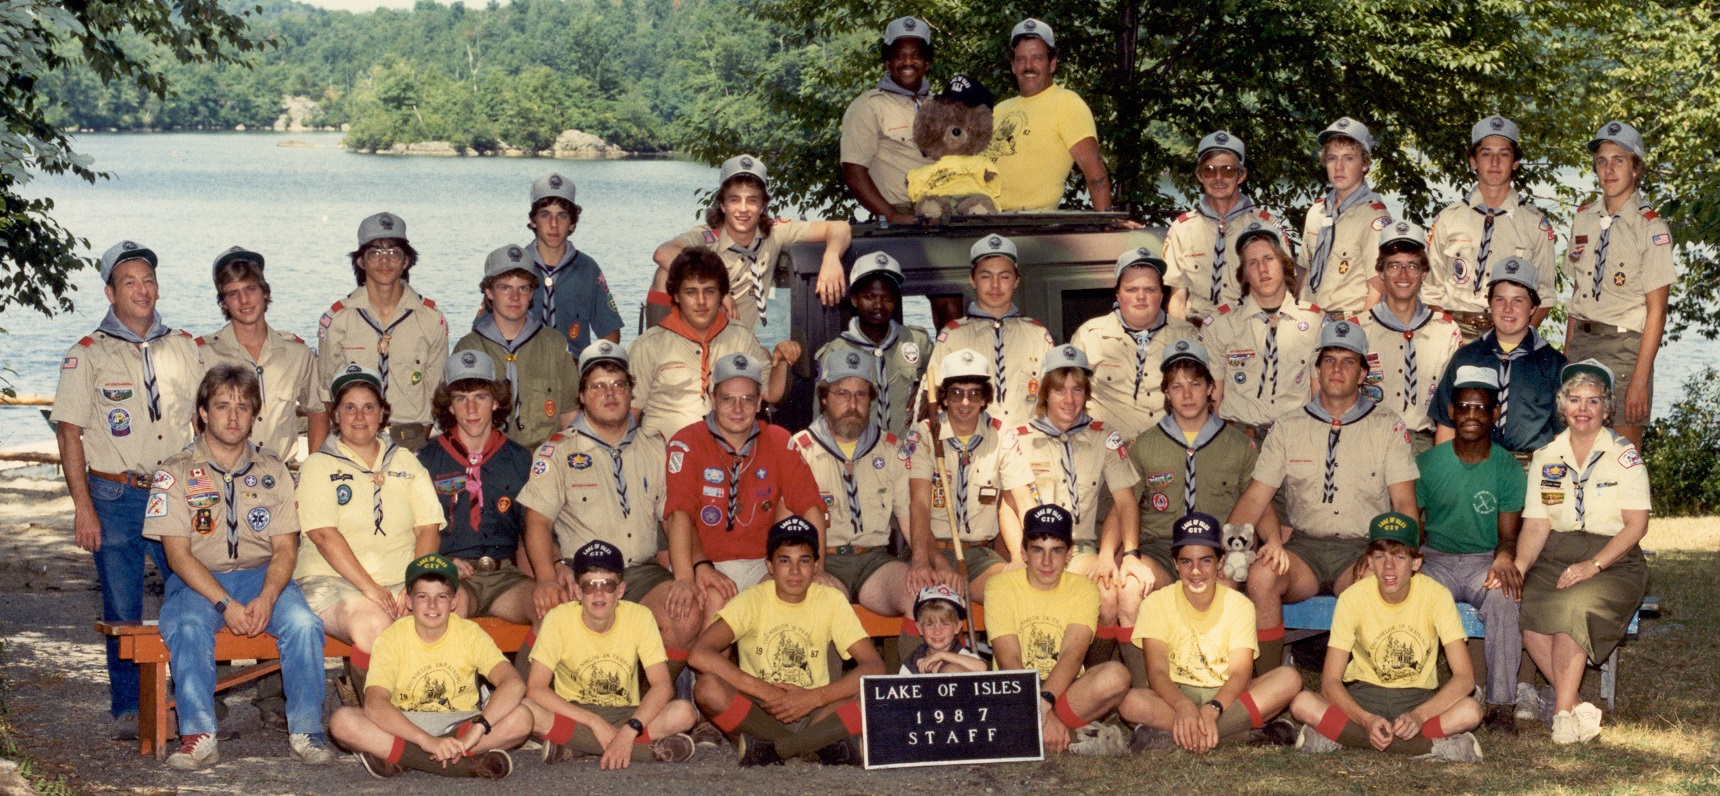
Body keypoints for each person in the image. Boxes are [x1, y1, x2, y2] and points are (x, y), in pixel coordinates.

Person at [145, 366, 332, 769]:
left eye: (243, 407)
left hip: (263, 576)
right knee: (188, 627)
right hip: (198, 583)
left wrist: (268, 596)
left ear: (254, 414)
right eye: (222, 406)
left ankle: (307, 730)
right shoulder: (173, 472)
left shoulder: (273, 469)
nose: (232, 416)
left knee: (304, 625)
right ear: (202, 413)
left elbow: (285, 547)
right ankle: (198, 735)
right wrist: (225, 603)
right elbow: (177, 556)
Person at [53, 240, 202, 738]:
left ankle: (192, 703)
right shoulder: (87, 355)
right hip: (114, 496)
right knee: (123, 609)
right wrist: (84, 508)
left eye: (148, 280)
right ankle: (128, 709)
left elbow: (205, 422)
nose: (142, 290)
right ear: (110, 291)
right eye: (130, 282)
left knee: (189, 597)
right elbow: (68, 432)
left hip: (173, 493)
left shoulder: (184, 346)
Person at [1232, 320, 1420, 675]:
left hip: (1361, 548)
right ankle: (1270, 682)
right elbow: (1255, 499)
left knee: (1376, 579)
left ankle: (1371, 683)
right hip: (1306, 550)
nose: (1337, 369)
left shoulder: (1386, 425)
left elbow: (1406, 504)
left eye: (1348, 361)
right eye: (1329, 359)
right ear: (1317, 368)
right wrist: (1230, 551)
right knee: (1261, 576)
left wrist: (1393, 551)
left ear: (1363, 373)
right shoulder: (1288, 426)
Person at [519, 340, 698, 669]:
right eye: (598, 386)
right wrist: (545, 577)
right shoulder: (557, 451)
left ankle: (643, 704)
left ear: (631, 392)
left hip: (642, 572)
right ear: (583, 396)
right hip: (583, 574)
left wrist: (685, 577)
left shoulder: (656, 446)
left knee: (684, 616)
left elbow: (675, 517)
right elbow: (537, 522)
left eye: (618, 384)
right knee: (553, 616)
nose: (610, 393)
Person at [1516, 360, 1649, 744]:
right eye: (1574, 399)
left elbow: (1636, 526)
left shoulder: (1624, 456)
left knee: (1573, 605)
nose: (1583, 409)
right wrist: (1521, 566)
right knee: (1525, 606)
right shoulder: (1546, 457)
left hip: (1613, 559)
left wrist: (1593, 564)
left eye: (1593, 401)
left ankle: (1560, 716)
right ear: (1562, 405)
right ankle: (1574, 703)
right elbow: (1538, 523)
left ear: (1607, 408)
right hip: (1555, 555)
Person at [294, 365, 444, 702]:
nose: (359, 416)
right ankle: (382, 720)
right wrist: (372, 589)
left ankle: (440, 707)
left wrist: (416, 585)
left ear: (382, 414)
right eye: (349, 407)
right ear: (336, 415)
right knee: (372, 625)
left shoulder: (406, 460)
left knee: (447, 609)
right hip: (333, 583)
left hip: (399, 582)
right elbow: (323, 536)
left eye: (368, 407)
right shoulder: (318, 465)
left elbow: (428, 528)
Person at [1123, 341, 1273, 672]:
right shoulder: (1144, 445)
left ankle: (1220, 675)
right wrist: (1124, 555)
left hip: (1221, 545)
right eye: (1176, 386)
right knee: (1131, 588)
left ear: (1210, 389)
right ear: (1166, 393)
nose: (1187, 394)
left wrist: (1272, 540)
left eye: (1195, 384)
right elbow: (1125, 505)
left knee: (1227, 583)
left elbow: (1259, 502)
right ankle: (1143, 688)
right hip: (1162, 547)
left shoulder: (1239, 444)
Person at [1288, 513, 1485, 762]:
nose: (1388, 567)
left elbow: (1465, 678)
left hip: (1417, 696)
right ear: (1369, 561)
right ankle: (1429, 746)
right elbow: (1330, 682)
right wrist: (1365, 719)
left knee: (1470, 711)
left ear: (1416, 563)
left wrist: (1420, 716)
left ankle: (1339, 735)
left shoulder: (1437, 595)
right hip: (1364, 694)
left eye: (1400, 557)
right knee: (1302, 703)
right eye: (1380, 557)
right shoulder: (1353, 597)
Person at [690, 518, 885, 767]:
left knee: (873, 697)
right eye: (785, 561)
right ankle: (816, 746)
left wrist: (816, 697)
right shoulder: (754, 599)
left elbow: (874, 666)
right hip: (761, 709)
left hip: (815, 710)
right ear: (770, 566)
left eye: (803, 561)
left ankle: (775, 750)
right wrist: (765, 690)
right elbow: (699, 654)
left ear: (816, 566)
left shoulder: (831, 600)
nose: (795, 571)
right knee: (707, 687)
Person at [328, 554, 529, 779]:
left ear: (454, 602)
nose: (432, 605)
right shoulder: (391, 638)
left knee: (522, 718)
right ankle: (466, 765)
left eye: (441, 596)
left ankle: (401, 759)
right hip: (406, 724)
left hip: (460, 721)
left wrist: (477, 730)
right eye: (423, 596)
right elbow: (375, 704)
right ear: (409, 601)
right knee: (343, 722)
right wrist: (427, 741)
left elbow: (513, 683)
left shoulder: (470, 633)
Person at [662, 353, 825, 625]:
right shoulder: (687, 442)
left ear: (760, 402)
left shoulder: (777, 440)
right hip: (705, 561)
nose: (738, 409)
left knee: (789, 599)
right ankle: (708, 667)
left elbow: (811, 507)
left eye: (747, 399)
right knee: (714, 602)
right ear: (712, 400)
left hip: (762, 564)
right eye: (727, 399)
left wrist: (818, 570)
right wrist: (685, 577)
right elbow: (679, 515)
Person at [1001, 345, 1140, 660]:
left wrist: (1114, 554)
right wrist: (1017, 554)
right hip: (1036, 548)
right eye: (1060, 389)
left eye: (1078, 389)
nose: (1069, 399)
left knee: (1107, 597)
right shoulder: (1019, 438)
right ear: (1045, 393)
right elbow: (1008, 505)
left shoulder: (1103, 436)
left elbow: (1125, 502)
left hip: (1081, 549)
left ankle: (1094, 675)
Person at [1118, 513, 1301, 753]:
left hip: (1226, 697)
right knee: (1129, 703)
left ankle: (1175, 737)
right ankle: (1245, 735)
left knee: (1289, 679)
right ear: (1174, 563)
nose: (1196, 571)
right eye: (1186, 562)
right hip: (1175, 695)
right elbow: (1158, 672)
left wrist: (1212, 708)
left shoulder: (1238, 605)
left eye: (1205, 560)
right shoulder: (1157, 602)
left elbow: (1240, 674)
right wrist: (1183, 705)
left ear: (1220, 561)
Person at [1415, 365, 1527, 734]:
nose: (1472, 416)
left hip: (1484, 561)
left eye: (1481, 408)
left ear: (1494, 414)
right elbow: (1414, 527)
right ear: (1451, 411)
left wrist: (1505, 556)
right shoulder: (1428, 464)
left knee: (1505, 598)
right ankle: (1414, 696)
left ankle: (1500, 703)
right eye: (1464, 407)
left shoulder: (1507, 467)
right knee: (1412, 597)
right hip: (1436, 559)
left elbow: (1508, 534)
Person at [528, 541, 698, 768]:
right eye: (589, 585)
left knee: (685, 713)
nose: (599, 593)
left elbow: (662, 686)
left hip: (624, 712)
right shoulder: (558, 618)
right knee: (527, 711)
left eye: (608, 585)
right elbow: (535, 688)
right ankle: (646, 751)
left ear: (620, 590)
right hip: (576, 713)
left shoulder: (640, 616)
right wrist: (594, 721)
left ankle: (574, 746)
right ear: (578, 592)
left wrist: (630, 730)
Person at [984, 505, 1131, 755]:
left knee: (1117, 676)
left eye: (1056, 551)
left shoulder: (1084, 588)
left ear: (1069, 554)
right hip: (1017, 689)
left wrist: (1046, 704)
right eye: (1038, 550)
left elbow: (1072, 654)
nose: (1047, 561)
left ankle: (1034, 733)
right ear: (1024, 552)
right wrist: (1039, 708)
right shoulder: (999, 586)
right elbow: (1008, 659)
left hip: (1062, 690)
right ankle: (1069, 735)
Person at [1563, 121, 1674, 448]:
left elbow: (1657, 312)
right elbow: (1577, 294)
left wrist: (1640, 379)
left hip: (1626, 352)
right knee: (1577, 451)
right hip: (1582, 346)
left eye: (1619, 160)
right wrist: (1567, 354)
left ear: (1636, 168)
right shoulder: (1583, 218)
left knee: (1623, 458)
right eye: (1601, 161)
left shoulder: (1651, 228)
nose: (1609, 170)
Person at [650, 155, 851, 328]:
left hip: (742, 340)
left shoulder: (774, 232)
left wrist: (831, 257)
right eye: (735, 200)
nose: (743, 209)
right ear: (722, 204)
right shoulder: (707, 238)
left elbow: (840, 227)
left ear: (763, 205)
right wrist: (718, 288)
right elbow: (663, 252)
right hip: (701, 331)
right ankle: (656, 348)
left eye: (752, 200)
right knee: (664, 273)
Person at [790, 349, 916, 618]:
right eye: (842, 393)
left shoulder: (891, 449)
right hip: (822, 561)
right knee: (824, 608)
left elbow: (908, 519)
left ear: (871, 399)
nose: (852, 403)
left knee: (921, 596)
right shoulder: (801, 449)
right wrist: (812, 567)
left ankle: (915, 662)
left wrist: (922, 562)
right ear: (824, 397)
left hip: (874, 561)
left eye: (860, 394)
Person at [416, 350, 534, 624]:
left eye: (481, 397)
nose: (471, 409)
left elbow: (532, 531)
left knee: (551, 612)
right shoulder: (427, 461)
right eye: (461, 399)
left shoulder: (519, 458)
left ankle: (516, 670)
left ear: (495, 401)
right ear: (449, 406)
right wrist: (439, 566)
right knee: (447, 614)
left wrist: (548, 576)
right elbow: (414, 532)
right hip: (451, 576)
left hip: (505, 577)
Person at [317, 212, 449, 452]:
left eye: (393, 252)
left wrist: (416, 445)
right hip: (355, 436)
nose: (384, 261)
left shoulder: (430, 319)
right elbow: (327, 391)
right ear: (360, 262)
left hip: (411, 438)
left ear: (406, 261)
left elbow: (436, 392)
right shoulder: (338, 320)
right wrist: (350, 436)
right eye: (374, 253)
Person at [628, 247, 785, 443]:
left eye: (709, 291)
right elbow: (630, 416)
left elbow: (771, 393)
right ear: (676, 296)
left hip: (726, 455)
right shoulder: (647, 346)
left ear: (722, 295)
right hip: (663, 457)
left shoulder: (740, 336)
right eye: (691, 292)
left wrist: (782, 360)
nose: (701, 301)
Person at [1425, 116, 1558, 340]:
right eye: (1486, 154)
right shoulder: (1448, 220)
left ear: (1515, 162)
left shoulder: (1534, 224)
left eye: (1504, 154)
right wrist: (1447, 336)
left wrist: (1518, 340)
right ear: (1473, 160)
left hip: (1510, 331)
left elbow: (1545, 295)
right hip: (1453, 331)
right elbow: (1430, 292)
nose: (1495, 163)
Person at [197, 246, 328, 463]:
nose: (244, 300)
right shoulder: (204, 354)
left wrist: (313, 471)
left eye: (250, 289)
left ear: (265, 292)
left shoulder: (297, 354)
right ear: (223, 302)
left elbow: (318, 411)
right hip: (226, 478)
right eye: (233, 293)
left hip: (282, 477)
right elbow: (195, 419)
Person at [905, 349, 1016, 600]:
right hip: (934, 549)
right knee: (931, 601)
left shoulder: (999, 435)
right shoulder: (925, 434)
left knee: (1011, 592)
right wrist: (923, 560)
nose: (965, 402)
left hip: (979, 556)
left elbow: (1015, 499)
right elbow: (919, 503)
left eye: (974, 393)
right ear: (943, 398)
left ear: (984, 399)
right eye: (956, 393)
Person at [1428, 257, 1566, 457]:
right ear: (1489, 303)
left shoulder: (1553, 364)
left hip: (1530, 467)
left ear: (1533, 308)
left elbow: (1561, 434)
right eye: (1500, 299)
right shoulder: (1466, 357)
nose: (1507, 309)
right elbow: (1446, 425)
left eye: (1518, 301)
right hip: (1474, 465)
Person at [1201, 222, 1324, 442]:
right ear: (1244, 273)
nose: (1262, 269)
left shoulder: (1314, 323)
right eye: (1252, 263)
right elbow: (1214, 398)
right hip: (1238, 438)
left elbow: (1319, 395)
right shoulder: (1221, 326)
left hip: (1295, 438)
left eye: (1269, 258)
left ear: (1284, 263)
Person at [453, 244, 580, 450]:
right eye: (505, 287)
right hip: (489, 462)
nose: (515, 297)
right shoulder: (469, 348)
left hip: (544, 460)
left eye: (523, 288)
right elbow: (454, 418)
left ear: (532, 293)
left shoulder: (554, 344)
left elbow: (569, 415)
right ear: (489, 292)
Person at [983, 18, 1115, 212]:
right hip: (982, 218)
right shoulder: (999, 109)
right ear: (1012, 65)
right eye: (1021, 59)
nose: (1028, 66)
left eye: (1037, 57)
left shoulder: (1067, 104)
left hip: (1030, 225)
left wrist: (1107, 223)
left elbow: (1094, 169)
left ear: (1052, 63)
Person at [1355, 220, 1462, 454]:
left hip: (1427, 445)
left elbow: (1452, 405)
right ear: (1380, 272)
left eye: (1412, 266)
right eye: (1393, 265)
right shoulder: (1359, 330)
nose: (1403, 274)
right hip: (1370, 444)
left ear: (1424, 273)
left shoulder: (1446, 330)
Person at [1070, 248, 1199, 441]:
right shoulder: (1090, 336)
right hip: (1110, 454)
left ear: (1161, 296)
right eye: (1132, 289)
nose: (1141, 297)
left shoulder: (1186, 336)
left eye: (1150, 289)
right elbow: (1068, 399)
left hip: (1172, 451)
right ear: (1118, 295)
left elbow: (1205, 396)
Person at [925, 234, 1055, 427]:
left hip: (1027, 449)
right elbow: (931, 400)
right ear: (972, 280)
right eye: (986, 276)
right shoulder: (952, 337)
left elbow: (1055, 398)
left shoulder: (1038, 335)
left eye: (1004, 276)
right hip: (975, 448)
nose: (995, 285)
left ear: (1016, 281)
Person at [1164, 131, 1286, 325]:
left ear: (1241, 175)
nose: (1218, 178)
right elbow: (1178, 298)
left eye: (1228, 170)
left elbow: (1283, 290)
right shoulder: (1183, 229)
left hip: (1250, 326)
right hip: (1198, 327)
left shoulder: (1266, 225)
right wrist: (1181, 341)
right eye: (1210, 170)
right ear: (1199, 175)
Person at [813, 251, 934, 436]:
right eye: (869, 296)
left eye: (887, 298)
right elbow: (820, 418)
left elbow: (944, 381)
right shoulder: (835, 352)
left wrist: (927, 392)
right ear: (854, 299)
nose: (878, 305)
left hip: (909, 454)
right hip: (859, 456)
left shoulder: (917, 341)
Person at [840, 16, 936, 224]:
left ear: (927, 62)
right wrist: (892, 215)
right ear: (888, 61)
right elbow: (854, 172)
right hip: (900, 214)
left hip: (945, 211)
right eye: (900, 56)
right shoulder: (868, 106)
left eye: (916, 56)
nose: (908, 62)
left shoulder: (943, 106)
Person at [520, 173, 624, 354]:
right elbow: (485, 328)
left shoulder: (587, 268)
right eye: (545, 215)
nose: (553, 224)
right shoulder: (514, 266)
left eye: (562, 216)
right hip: (521, 370)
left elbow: (609, 330)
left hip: (572, 370)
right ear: (532, 220)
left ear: (572, 224)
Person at [1298, 117, 1392, 317]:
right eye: (1332, 158)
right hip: (1309, 321)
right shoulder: (1317, 212)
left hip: (1348, 320)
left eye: (1349, 158)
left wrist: (1361, 330)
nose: (1338, 167)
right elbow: (1304, 270)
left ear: (1365, 164)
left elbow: (1379, 284)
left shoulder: (1374, 217)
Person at [898, 585, 987, 674]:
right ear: (920, 628)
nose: (937, 631)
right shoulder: (912, 663)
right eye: (929, 624)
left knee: (951, 670)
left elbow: (981, 667)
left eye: (945, 624)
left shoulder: (961, 655)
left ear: (957, 627)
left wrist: (942, 655)